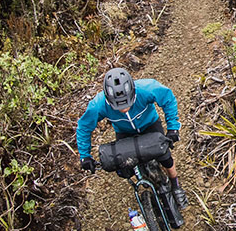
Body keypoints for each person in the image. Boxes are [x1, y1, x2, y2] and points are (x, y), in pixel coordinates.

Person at [76, 67, 188, 209]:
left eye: (127, 103)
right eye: (118, 106)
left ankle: (175, 184)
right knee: (126, 165)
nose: (124, 109)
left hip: (150, 125)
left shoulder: (147, 88)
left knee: (165, 157)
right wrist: (85, 156)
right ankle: (146, 185)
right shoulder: (98, 105)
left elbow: (168, 98)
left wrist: (173, 128)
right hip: (124, 132)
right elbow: (84, 127)